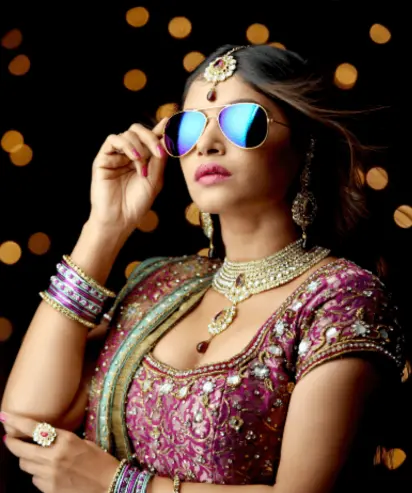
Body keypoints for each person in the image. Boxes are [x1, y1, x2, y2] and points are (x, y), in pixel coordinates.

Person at [0, 44, 406, 493]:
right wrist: (105, 228)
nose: (207, 144)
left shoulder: (341, 298)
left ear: (303, 147)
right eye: (187, 128)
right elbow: (27, 418)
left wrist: (119, 484)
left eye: (242, 122)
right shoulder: (161, 285)